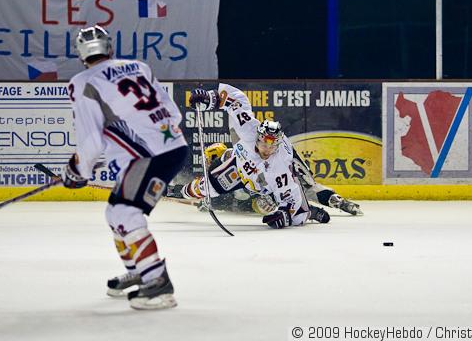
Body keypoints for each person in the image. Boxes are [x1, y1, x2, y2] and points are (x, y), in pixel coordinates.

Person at [63, 25, 188, 310]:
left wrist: (76, 172)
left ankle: (157, 283)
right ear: (109, 47)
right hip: (172, 146)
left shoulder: (83, 82)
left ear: (81, 54)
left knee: (125, 213)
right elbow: (174, 113)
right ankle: (140, 270)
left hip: (148, 156)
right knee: (114, 212)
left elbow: (91, 142)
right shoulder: (139, 67)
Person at [184, 83, 331, 229]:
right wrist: (209, 97)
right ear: (258, 137)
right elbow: (236, 100)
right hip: (240, 169)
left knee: (284, 208)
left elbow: (292, 202)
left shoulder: (280, 165)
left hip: (264, 186)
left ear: (278, 145)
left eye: (272, 146)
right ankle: (178, 191)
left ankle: (311, 211)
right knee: (205, 187)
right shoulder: (248, 129)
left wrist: (283, 216)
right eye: (264, 144)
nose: (267, 149)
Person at [171, 142, 362, 216]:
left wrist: (211, 202)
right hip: (264, 189)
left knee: (292, 192)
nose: (209, 162)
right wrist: (211, 202)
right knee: (303, 189)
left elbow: (229, 193)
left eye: (211, 158)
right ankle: (331, 203)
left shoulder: (228, 161)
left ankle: (317, 208)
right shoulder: (234, 159)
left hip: (266, 187)